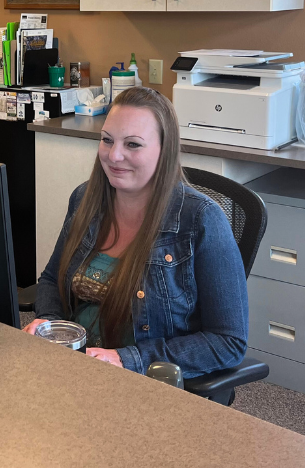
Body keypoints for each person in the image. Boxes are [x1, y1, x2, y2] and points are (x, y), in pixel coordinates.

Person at [24, 86, 248, 377]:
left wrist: (127, 359)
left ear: (164, 150)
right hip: (74, 368)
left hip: (143, 381)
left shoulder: (201, 221)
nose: (114, 156)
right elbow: (53, 279)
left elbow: (228, 342)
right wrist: (49, 324)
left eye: (133, 144)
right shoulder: (85, 199)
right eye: (107, 140)